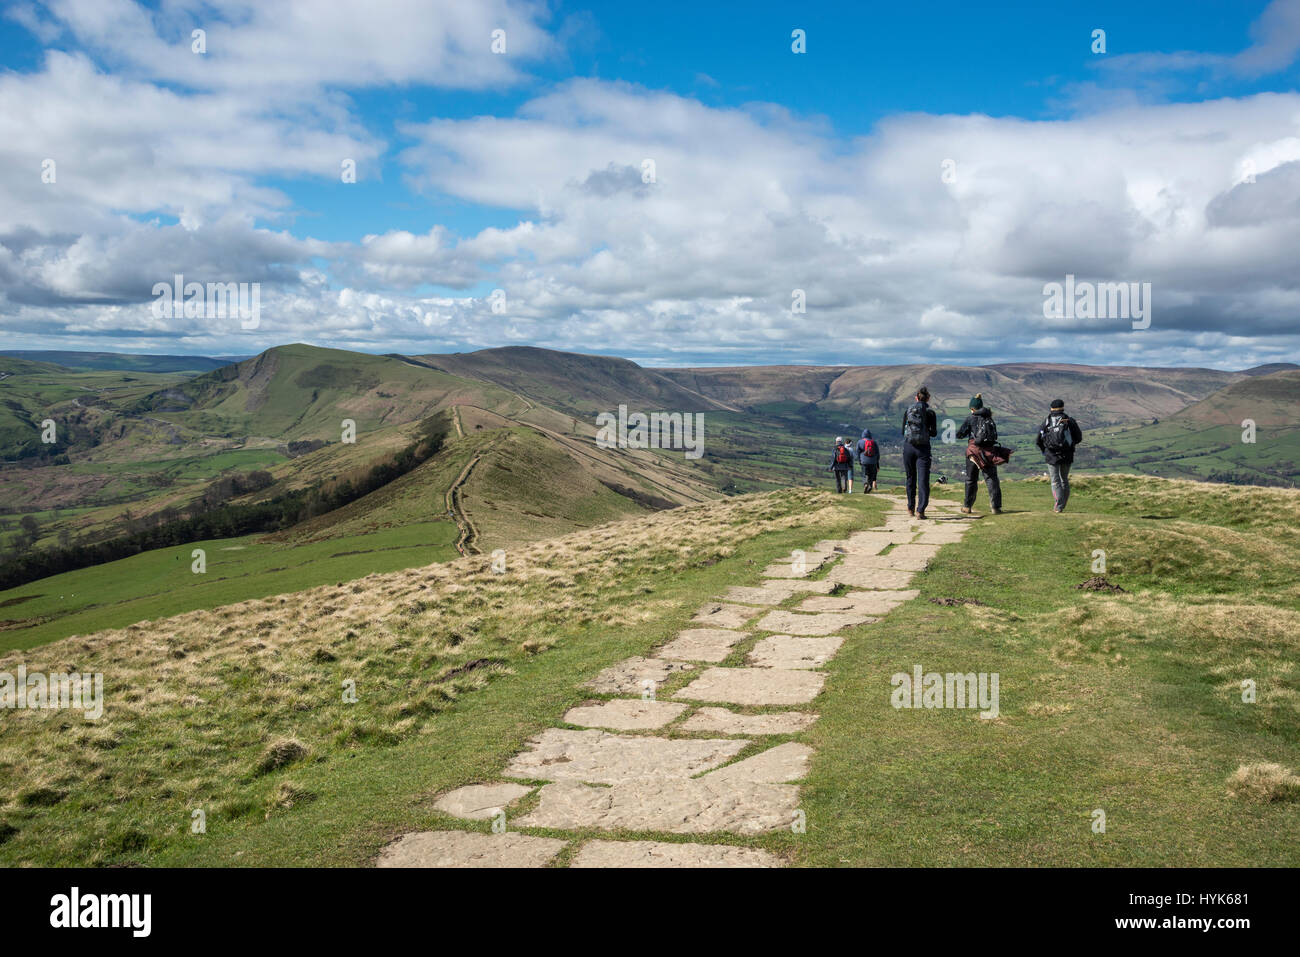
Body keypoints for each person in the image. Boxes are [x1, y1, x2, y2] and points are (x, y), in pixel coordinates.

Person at [956, 393, 1003, 514]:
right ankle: (995, 507)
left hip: (973, 452)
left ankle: (967, 506)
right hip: (988, 452)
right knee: (991, 479)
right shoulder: (989, 418)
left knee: (971, 479)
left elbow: (960, 434)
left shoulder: (970, 418)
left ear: (972, 408)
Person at [1036, 399, 1083, 513]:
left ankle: (1058, 505)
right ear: (1063, 407)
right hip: (1067, 455)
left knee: (1055, 480)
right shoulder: (1070, 421)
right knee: (1064, 480)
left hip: (1051, 455)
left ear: (1051, 408)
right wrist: (1069, 445)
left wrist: (1045, 451)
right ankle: (1061, 505)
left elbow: (1038, 440)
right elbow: (1078, 438)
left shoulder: (1047, 422)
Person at [899, 387, 937, 518]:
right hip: (923, 449)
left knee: (910, 478)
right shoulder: (930, 412)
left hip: (908, 447)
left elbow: (902, 431)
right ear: (928, 399)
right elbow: (934, 432)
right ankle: (920, 510)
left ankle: (910, 508)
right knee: (923, 480)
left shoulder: (908, 410)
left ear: (916, 397)